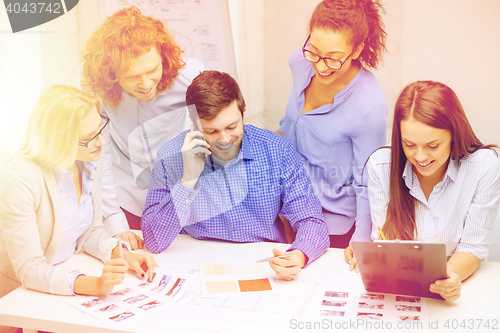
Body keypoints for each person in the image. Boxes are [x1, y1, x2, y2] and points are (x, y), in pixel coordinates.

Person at [142, 71, 330, 280]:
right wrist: (187, 180)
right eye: (211, 131)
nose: (223, 139)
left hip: (264, 264)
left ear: (243, 111)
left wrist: (300, 254)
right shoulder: (169, 156)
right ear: (192, 120)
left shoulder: (277, 150)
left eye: (232, 127)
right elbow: (153, 241)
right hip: (197, 265)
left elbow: (311, 221)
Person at [0, 85, 158, 299]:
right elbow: (30, 268)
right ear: (58, 141)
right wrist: (95, 285)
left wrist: (124, 256)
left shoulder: (88, 160)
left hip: (65, 276)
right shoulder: (19, 179)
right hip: (21, 295)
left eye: (100, 130)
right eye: (90, 137)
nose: (101, 142)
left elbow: (89, 232)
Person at [363, 80, 500, 301]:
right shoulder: (381, 165)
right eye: (409, 144)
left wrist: (450, 276)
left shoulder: (484, 166)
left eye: (432, 145)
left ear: (454, 134)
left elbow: (473, 245)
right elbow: (383, 240)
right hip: (401, 288)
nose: (420, 157)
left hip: (459, 287)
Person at [80, 6, 205, 242]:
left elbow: (216, 134)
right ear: (112, 74)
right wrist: (115, 221)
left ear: (162, 57)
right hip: (125, 197)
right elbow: (99, 155)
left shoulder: (192, 75)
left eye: (152, 69)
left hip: (180, 191)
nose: (146, 83)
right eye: (132, 76)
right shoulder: (95, 86)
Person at [277, 0, 389, 250]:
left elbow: (369, 180)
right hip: (288, 206)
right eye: (314, 52)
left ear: (357, 50)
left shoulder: (369, 106)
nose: (320, 66)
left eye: (334, 59)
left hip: (332, 226)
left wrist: (362, 238)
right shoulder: (300, 60)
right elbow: (291, 124)